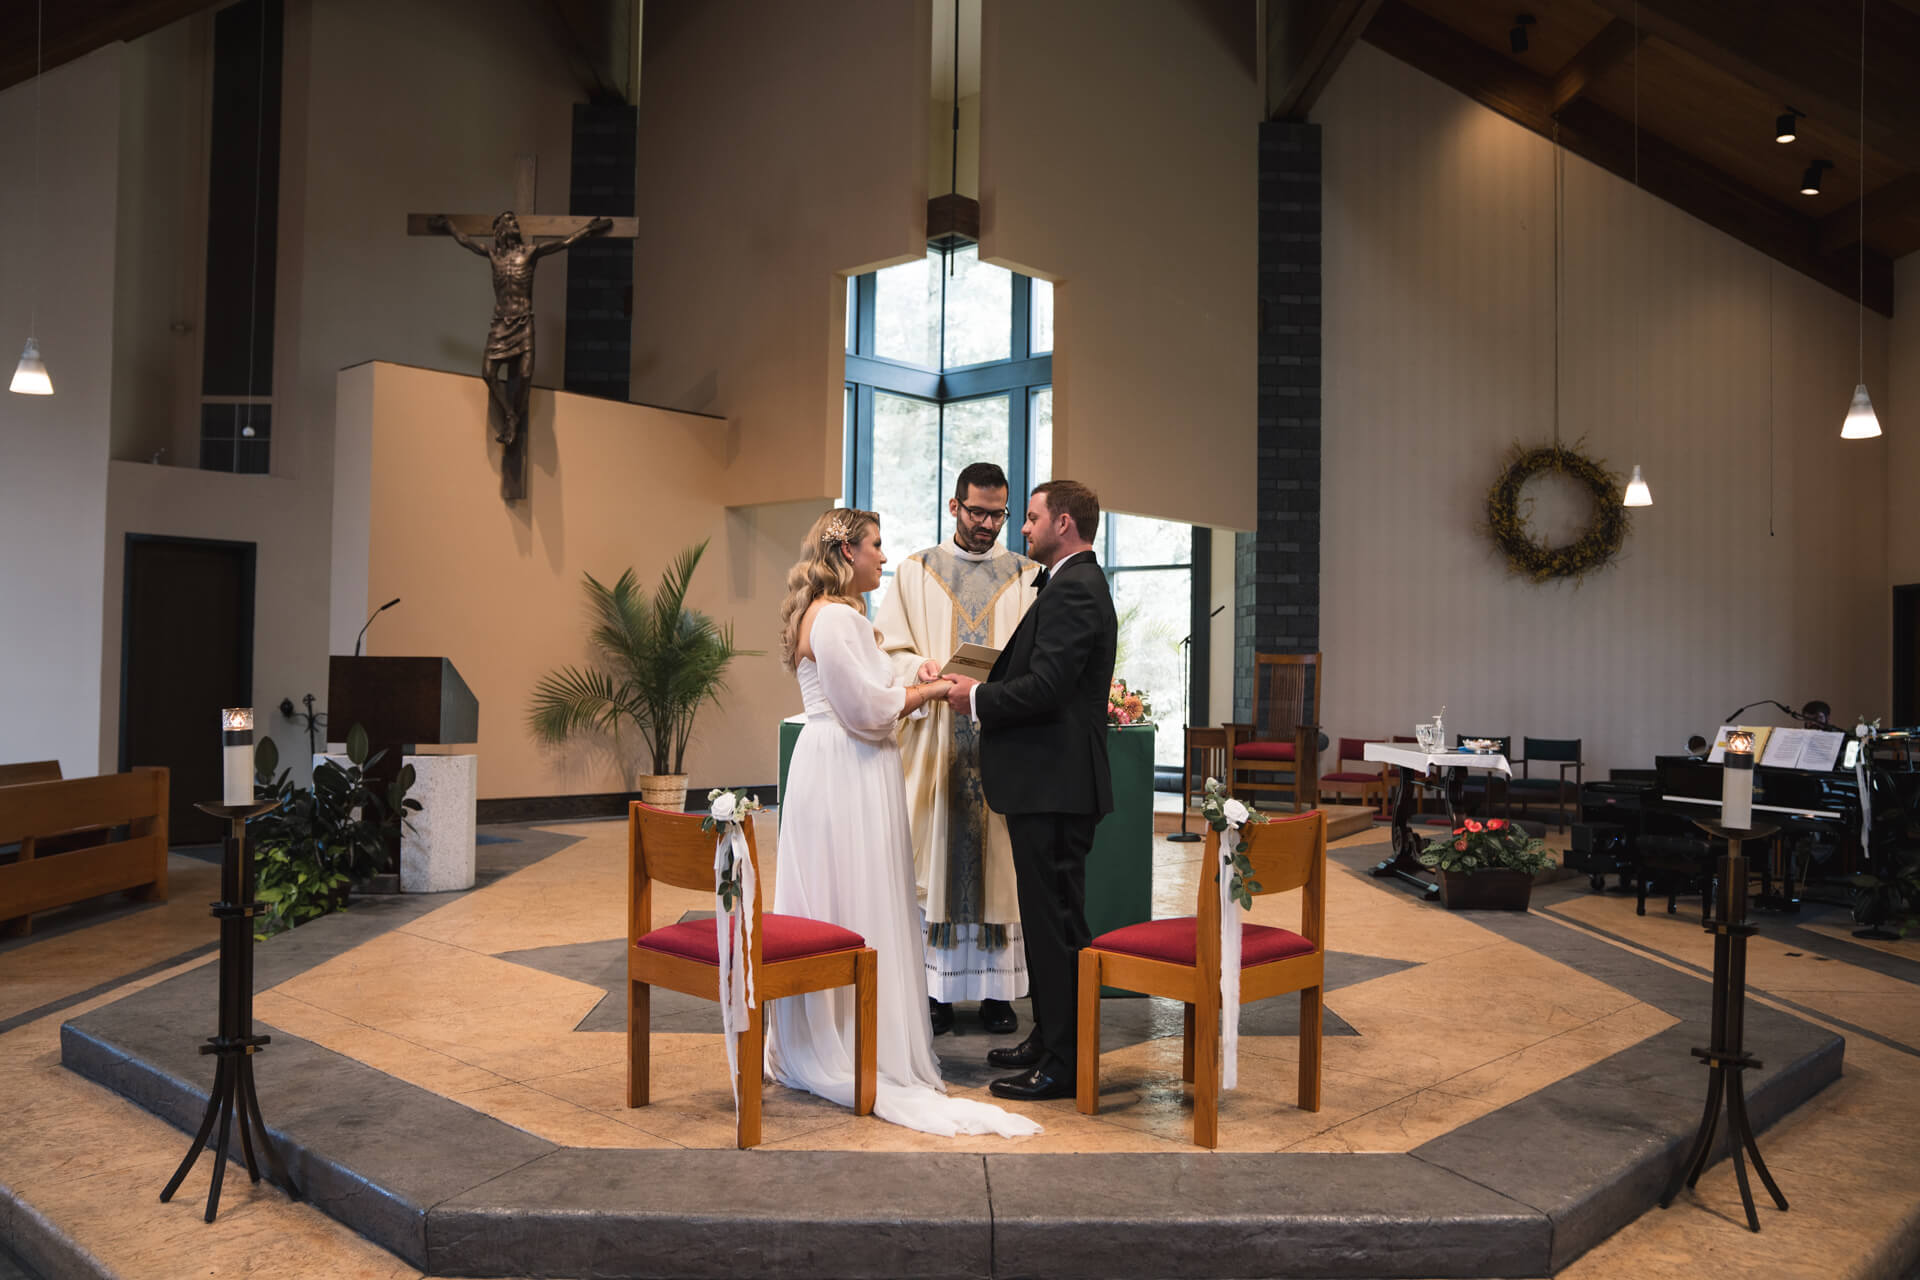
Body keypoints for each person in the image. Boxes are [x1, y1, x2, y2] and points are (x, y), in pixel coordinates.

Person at [764, 507, 1042, 1138]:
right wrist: (930, 693)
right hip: (847, 767)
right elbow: (865, 709)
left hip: (843, 764)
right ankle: (847, 1040)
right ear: (845, 554)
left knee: (848, 896)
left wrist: (909, 671)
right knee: (853, 898)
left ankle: (841, 1027)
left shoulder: (840, 616)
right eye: (875, 547)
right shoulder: (835, 617)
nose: (884, 559)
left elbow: (868, 677)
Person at [945, 480, 1118, 1102]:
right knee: (1051, 922)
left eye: (1034, 517)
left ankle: (1064, 1062)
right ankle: (1049, 1038)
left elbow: (1046, 687)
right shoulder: (1072, 582)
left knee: (1056, 927)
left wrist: (976, 697)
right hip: (1051, 783)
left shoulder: (1075, 586)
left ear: (1064, 523)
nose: (1023, 527)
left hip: (1055, 785)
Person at [874, 462, 1037, 1038]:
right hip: (936, 739)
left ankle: (995, 992)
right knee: (934, 861)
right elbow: (887, 647)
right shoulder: (916, 571)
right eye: (977, 512)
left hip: (1002, 741)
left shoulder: (1029, 575)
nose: (988, 524)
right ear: (953, 506)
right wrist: (914, 666)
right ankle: (937, 993)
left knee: (1002, 867)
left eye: (998, 514)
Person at [425, 210, 612, 444]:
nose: (515, 225)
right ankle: (511, 415)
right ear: (500, 230)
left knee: (524, 375)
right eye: (509, 221)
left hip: (523, 322)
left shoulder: (530, 253)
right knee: (487, 372)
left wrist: (587, 230)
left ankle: (514, 419)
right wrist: (448, 226)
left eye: (515, 221)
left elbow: (563, 244)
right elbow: (466, 242)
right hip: (500, 324)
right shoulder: (493, 255)